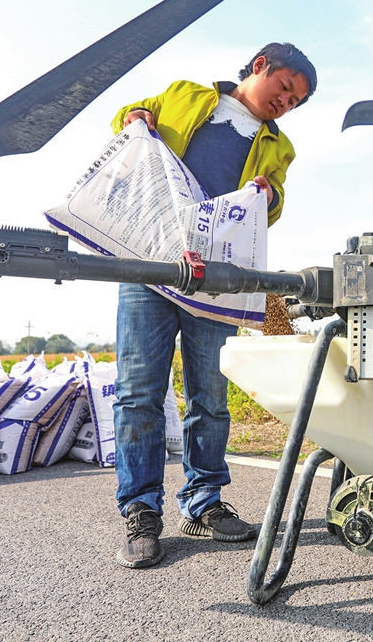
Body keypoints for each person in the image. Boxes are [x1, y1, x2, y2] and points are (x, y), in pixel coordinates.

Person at [108, 43, 317, 568]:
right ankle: (141, 511)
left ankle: (203, 502)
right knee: (139, 393)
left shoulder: (279, 146)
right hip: (149, 266)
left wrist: (268, 198)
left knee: (211, 396)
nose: (285, 103)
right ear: (261, 65)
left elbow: (276, 204)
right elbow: (126, 119)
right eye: (285, 88)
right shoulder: (185, 95)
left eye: (295, 103)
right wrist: (132, 116)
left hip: (216, 277)